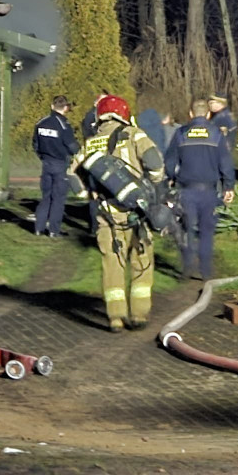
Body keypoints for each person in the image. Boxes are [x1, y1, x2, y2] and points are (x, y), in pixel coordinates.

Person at [71, 94, 164, 332]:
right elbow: (154, 161)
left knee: (112, 263)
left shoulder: (91, 142)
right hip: (137, 212)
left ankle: (115, 317)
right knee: (141, 259)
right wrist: (152, 182)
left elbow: (71, 175)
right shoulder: (134, 134)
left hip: (106, 215)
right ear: (124, 114)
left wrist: (86, 195)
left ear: (99, 116)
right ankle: (140, 315)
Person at [164, 99, 235, 281]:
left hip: (186, 189)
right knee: (206, 231)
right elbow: (225, 162)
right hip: (209, 191)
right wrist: (229, 186)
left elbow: (170, 161)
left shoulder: (181, 134)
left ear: (190, 113)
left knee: (187, 229)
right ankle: (205, 271)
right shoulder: (216, 134)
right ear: (209, 114)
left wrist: (171, 177)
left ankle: (187, 268)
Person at [32, 95, 80, 237]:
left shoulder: (41, 123)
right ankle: (54, 230)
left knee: (46, 196)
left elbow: (35, 144)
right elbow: (72, 146)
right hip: (60, 164)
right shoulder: (64, 125)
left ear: (52, 106)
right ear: (65, 108)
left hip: (46, 163)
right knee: (58, 198)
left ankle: (38, 228)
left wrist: (42, 157)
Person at [80, 90, 109, 235]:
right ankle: (95, 227)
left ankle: (105, 225)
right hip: (95, 161)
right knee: (95, 195)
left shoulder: (108, 117)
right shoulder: (91, 117)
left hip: (106, 161)